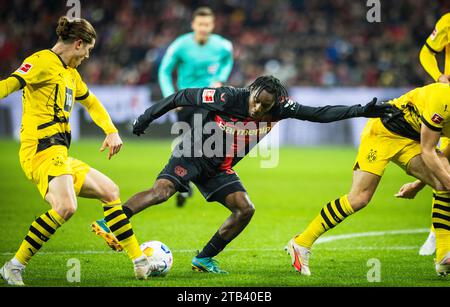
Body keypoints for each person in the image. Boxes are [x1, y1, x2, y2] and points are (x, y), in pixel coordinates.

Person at [91, 75, 394, 274]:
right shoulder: (227, 97)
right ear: (250, 91)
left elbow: (319, 113)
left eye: (265, 106)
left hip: (220, 168)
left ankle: (204, 258)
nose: (258, 108)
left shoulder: (281, 109)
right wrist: (146, 117)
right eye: (256, 100)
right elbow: (181, 96)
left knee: (245, 209)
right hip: (192, 152)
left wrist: (360, 110)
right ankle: (110, 220)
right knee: (162, 192)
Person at [0, 16, 162, 286]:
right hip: (40, 151)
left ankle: (140, 263)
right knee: (65, 207)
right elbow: (9, 84)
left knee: (110, 191)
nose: (87, 56)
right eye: (88, 50)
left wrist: (110, 130)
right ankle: (14, 266)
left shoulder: (71, 74)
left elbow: (92, 103)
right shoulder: (40, 62)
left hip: (59, 155)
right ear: (78, 44)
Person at [288, 82, 450, 277]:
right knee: (359, 198)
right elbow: (428, 150)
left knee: (443, 183)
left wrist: (418, 184)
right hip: (383, 132)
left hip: (411, 139)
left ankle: (443, 257)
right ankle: (301, 243)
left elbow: (443, 156)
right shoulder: (442, 99)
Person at [158, 6, 233, 207]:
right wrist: (170, 98)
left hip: (208, 99)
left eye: (207, 24)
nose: (203, 28)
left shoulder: (222, 45)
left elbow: (228, 61)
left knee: (198, 138)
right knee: (187, 141)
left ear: (212, 25)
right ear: (193, 25)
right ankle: (184, 181)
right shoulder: (180, 46)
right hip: (185, 100)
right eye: (200, 24)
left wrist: (220, 79)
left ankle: (183, 181)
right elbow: (164, 71)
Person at [395, 12, 450, 256]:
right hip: (447, 102)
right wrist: (439, 76)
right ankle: (437, 234)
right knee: (442, 164)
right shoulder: (447, 21)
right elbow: (426, 52)